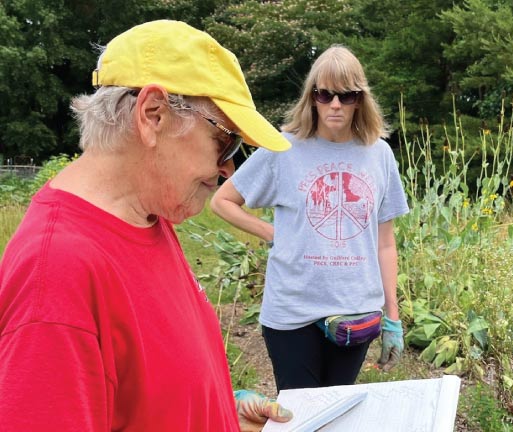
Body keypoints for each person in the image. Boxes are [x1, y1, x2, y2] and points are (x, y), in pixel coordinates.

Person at [0, 20, 293, 432]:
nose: (228, 168)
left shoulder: (148, 216)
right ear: (153, 114)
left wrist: (219, 412)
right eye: (226, 141)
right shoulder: (56, 273)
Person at [211, 45, 409, 391]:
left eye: (346, 96)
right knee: (299, 412)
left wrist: (392, 316)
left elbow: (386, 243)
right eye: (325, 94)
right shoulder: (283, 149)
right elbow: (223, 200)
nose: (335, 104)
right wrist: (273, 232)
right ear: (312, 97)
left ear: (359, 99)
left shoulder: (378, 155)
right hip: (292, 309)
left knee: (335, 409)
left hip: (355, 311)